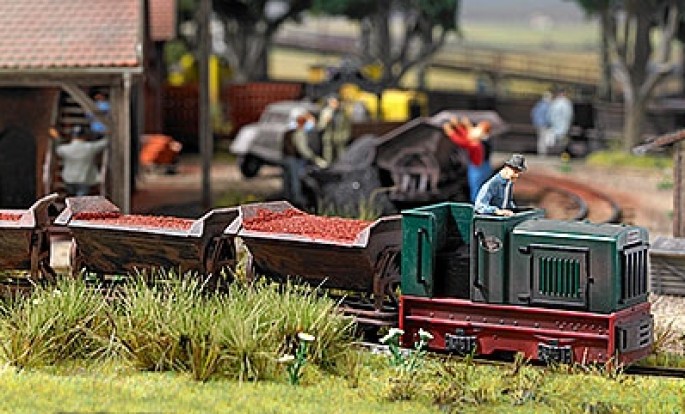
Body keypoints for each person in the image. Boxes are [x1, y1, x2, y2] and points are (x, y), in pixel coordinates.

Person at [282, 112, 327, 206]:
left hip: (286, 158)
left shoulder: (289, 131)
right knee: (296, 180)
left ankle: (287, 199)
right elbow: (303, 149)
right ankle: (297, 201)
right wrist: (314, 158)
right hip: (295, 159)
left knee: (287, 180)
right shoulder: (299, 132)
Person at [442, 116, 492, 203]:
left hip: (478, 169)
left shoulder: (476, 143)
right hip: (482, 167)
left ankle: (476, 205)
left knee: (476, 189)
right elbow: (469, 136)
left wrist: (451, 132)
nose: (474, 129)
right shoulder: (480, 140)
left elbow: (464, 141)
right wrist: (459, 126)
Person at [50, 125, 109, 196]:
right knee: (81, 199)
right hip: (84, 179)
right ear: (85, 136)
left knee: (71, 197)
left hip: (69, 179)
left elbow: (58, 149)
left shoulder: (65, 149)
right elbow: (104, 143)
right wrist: (105, 134)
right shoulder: (89, 148)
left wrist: (56, 137)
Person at [318, 94, 352, 165]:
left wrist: (345, 136)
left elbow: (347, 127)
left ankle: (343, 166)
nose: (334, 104)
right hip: (329, 138)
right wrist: (325, 121)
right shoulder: (325, 112)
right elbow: (320, 127)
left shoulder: (343, 113)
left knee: (342, 154)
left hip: (340, 137)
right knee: (328, 154)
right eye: (332, 103)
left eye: (335, 102)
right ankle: (328, 166)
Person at [548, 88, 574, 154]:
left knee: (557, 138)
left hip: (556, 124)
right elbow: (568, 115)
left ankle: (557, 151)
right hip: (561, 124)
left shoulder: (555, 102)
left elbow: (550, 114)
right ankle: (560, 152)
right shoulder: (565, 103)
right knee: (561, 138)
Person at [531, 91, 553, 155]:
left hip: (537, 124)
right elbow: (548, 116)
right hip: (543, 124)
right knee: (543, 138)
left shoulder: (539, 104)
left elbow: (533, 113)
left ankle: (541, 151)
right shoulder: (547, 106)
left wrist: (535, 122)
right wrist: (549, 123)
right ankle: (542, 152)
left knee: (540, 138)